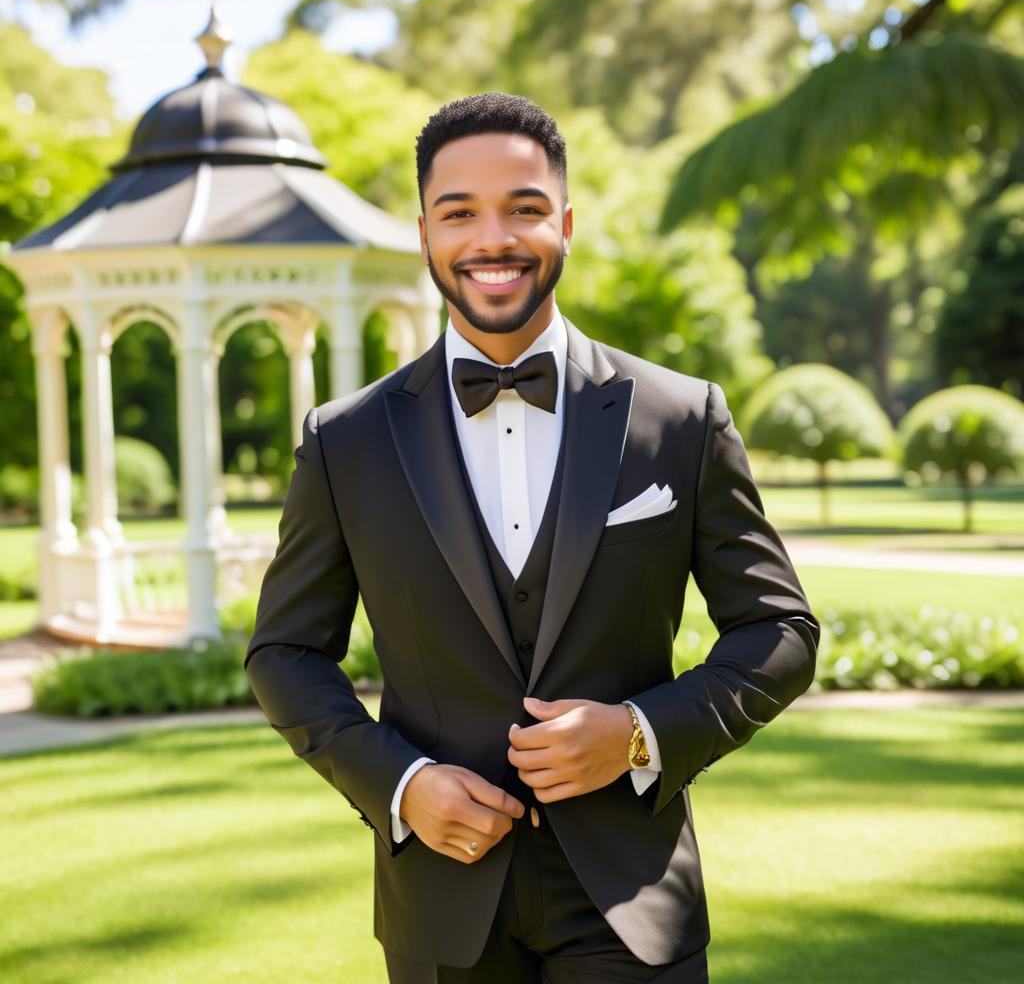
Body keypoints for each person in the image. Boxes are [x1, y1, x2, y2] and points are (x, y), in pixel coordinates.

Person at [244, 92, 820, 983]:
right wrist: (400, 786)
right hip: (441, 897)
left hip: (633, 901)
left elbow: (781, 632)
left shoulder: (679, 416)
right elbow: (285, 653)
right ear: (425, 234)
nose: (492, 240)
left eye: (524, 208)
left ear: (566, 223)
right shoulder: (344, 440)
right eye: (459, 212)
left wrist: (637, 732)